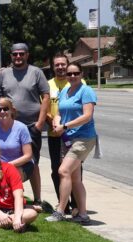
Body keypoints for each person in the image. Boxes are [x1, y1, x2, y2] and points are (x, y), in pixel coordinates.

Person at [0, 43, 50, 207]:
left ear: (27, 55)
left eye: (21, 54)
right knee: (5, 160)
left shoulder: (36, 72)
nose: (18, 57)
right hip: (7, 125)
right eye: (15, 54)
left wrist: (39, 123)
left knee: (32, 162)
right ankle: (6, 195)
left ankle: (37, 198)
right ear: (10, 56)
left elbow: (45, 97)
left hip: (31, 125)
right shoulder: (3, 74)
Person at [46, 63, 98, 224]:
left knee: (63, 171)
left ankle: (60, 211)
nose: (72, 76)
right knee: (75, 178)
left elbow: (87, 116)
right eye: (70, 73)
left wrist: (66, 126)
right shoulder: (65, 91)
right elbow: (59, 112)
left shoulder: (86, 91)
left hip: (83, 138)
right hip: (68, 139)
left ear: (82, 74)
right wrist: (56, 122)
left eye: (76, 73)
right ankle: (83, 214)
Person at [46, 53, 81, 215]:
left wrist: (66, 126)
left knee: (75, 170)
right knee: (56, 169)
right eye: (57, 64)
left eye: (63, 64)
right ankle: (63, 204)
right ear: (53, 67)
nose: (60, 67)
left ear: (67, 65)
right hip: (55, 135)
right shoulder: (48, 85)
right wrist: (54, 123)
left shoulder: (78, 83)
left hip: (74, 135)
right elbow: (44, 109)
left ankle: (76, 204)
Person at [0, 97, 34, 190]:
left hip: (20, 165)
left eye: (5, 109)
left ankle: (16, 195)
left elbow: (28, 156)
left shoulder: (21, 128)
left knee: (10, 176)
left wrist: (7, 166)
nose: (2, 111)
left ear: (12, 110)